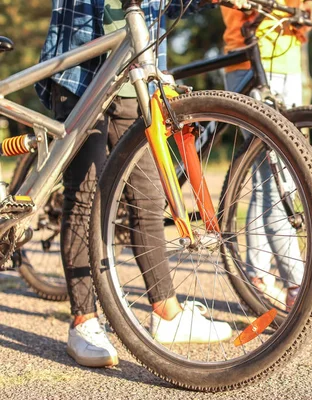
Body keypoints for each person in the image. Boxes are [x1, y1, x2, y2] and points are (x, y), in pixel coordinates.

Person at [35, 0, 232, 368]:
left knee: (148, 198)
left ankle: (167, 313)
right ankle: (84, 321)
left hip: (134, 77)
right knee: (84, 195)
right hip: (82, 72)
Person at [220, 1, 312, 309]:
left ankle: (258, 277)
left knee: (274, 175)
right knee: (273, 174)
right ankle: (297, 284)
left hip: (287, 63)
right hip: (249, 58)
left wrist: (311, 12)